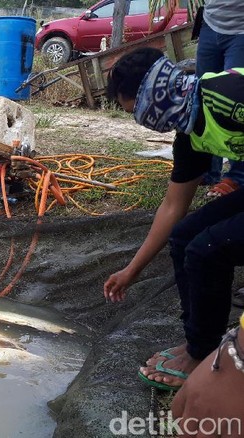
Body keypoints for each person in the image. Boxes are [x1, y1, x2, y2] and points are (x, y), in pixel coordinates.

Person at [104, 47, 244, 390]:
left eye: (138, 110)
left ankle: (200, 354)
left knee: (208, 248)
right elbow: (172, 207)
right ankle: (201, 340)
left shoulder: (229, 97)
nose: (143, 120)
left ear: (156, 91)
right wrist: (130, 271)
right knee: (185, 237)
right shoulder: (190, 133)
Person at [195, 0, 244, 199]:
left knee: (235, 103)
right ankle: (207, 170)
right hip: (210, 23)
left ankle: (237, 177)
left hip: (241, 30)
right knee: (203, 99)